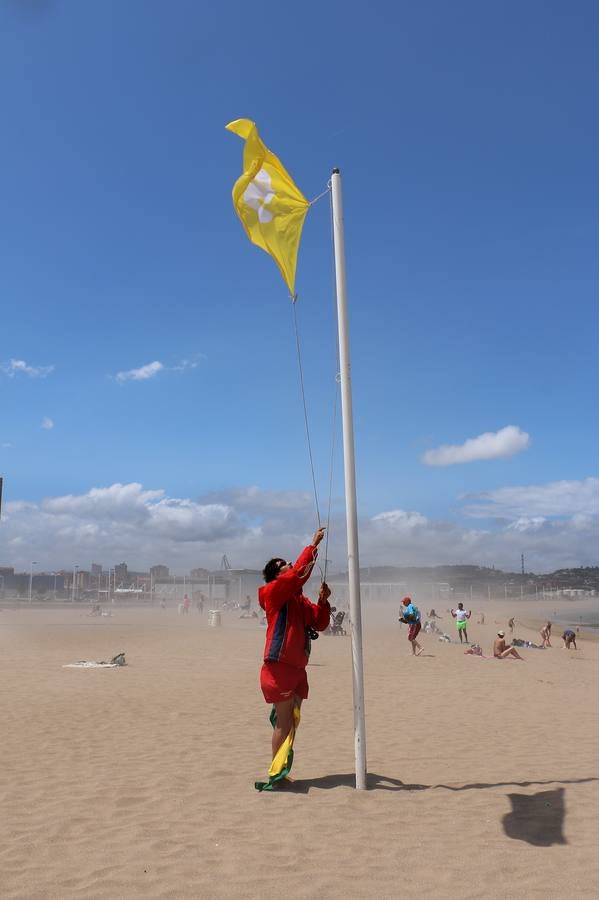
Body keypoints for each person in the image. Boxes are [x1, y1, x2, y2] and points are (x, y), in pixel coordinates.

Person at [258, 526, 331, 762]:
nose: (289, 563)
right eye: (284, 564)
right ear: (277, 575)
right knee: (285, 721)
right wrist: (313, 545)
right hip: (279, 665)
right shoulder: (273, 591)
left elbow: (319, 623)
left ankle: (282, 767)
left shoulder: (299, 600)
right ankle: (276, 773)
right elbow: (298, 573)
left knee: (293, 720)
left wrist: (322, 601)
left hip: (298, 668)